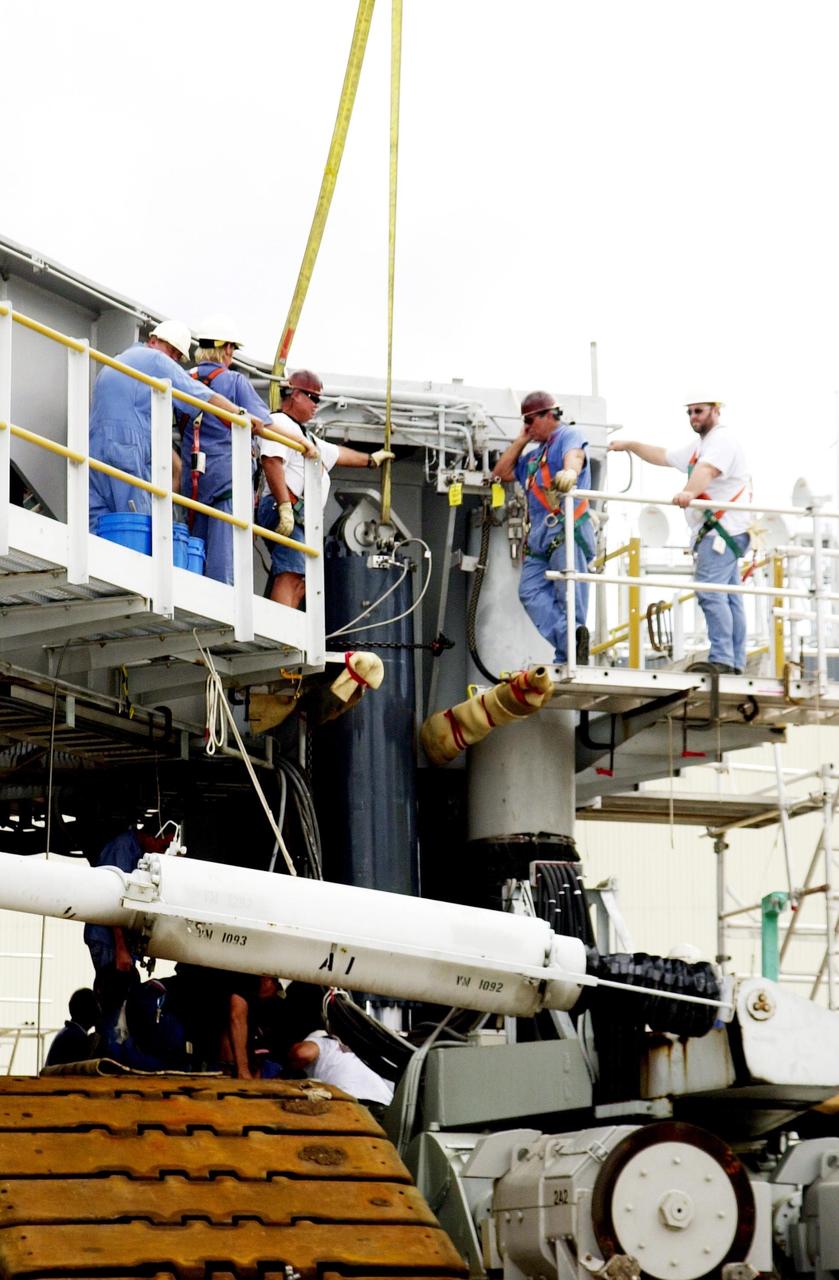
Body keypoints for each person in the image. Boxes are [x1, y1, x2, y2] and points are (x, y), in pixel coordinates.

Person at [608, 398, 751, 674]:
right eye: (690, 412)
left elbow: (706, 471)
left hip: (722, 533)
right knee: (728, 596)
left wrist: (689, 492)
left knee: (711, 592)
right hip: (724, 532)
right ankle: (735, 661)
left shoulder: (721, 441)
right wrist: (631, 445)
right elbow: (664, 456)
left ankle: (723, 658)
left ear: (716, 410)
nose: (693, 417)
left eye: (698, 411)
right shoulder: (702, 445)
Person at [88, 320, 261, 531]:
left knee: (98, 527)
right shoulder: (155, 359)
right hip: (127, 451)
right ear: (153, 341)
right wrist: (239, 414)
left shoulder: (114, 362)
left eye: (178, 357)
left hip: (94, 450)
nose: (174, 361)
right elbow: (198, 394)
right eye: (174, 353)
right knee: (135, 527)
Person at [257, 369, 394, 608]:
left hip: (298, 515)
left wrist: (372, 460)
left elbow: (337, 453)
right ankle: (281, 631)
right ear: (295, 394)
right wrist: (286, 507)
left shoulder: (303, 435)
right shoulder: (278, 423)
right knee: (291, 574)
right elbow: (271, 462)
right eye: (314, 398)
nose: (317, 405)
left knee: (299, 579)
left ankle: (286, 628)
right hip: (284, 507)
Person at [492, 390, 594, 664]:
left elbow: (575, 456)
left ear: (550, 416)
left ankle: (569, 656)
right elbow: (500, 473)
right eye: (524, 422)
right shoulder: (535, 458)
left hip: (565, 530)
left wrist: (570, 473)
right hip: (540, 538)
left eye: (531, 421)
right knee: (529, 591)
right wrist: (523, 438)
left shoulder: (567, 437)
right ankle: (572, 638)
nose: (528, 427)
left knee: (569, 596)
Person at [181, 320, 274, 583]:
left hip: (194, 482)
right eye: (231, 348)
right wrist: (306, 445)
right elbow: (264, 425)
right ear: (226, 349)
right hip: (228, 480)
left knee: (195, 548)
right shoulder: (234, 382)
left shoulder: (184, 380)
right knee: (224, 556)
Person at [83, 826, 173, 990]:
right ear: (152, 836)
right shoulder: (122, 849)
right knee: (114, 992)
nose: (163, 854)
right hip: (108, 938)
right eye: (163, 847)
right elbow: (113, 900)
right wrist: (121, 948)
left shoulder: (134, 848)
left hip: (115, 938)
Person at [45, 987, 99, 1066]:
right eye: (97, 1007)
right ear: (88, 1011)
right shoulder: (76, 1037)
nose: (100, 1011)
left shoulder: (68, 1032)